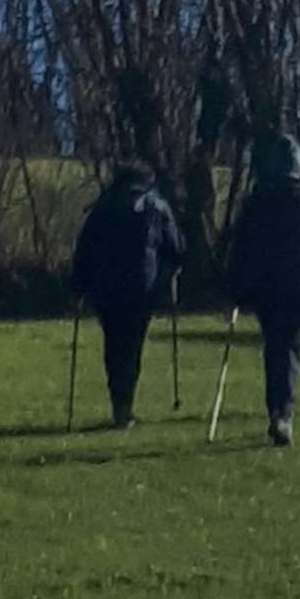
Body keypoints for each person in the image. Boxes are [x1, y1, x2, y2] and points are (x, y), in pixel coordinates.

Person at [225, 133, 300, 445]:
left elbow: (241, 243)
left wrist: (235, 282)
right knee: (290, 345)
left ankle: (278, 410)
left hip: (266, 282)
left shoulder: (258, 197)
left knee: (275, 346)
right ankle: (283, 414)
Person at [70, 160, 185, 430]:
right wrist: (173, 270)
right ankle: (125, 405)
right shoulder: (156, 206)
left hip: (105, 288)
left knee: (113, 344)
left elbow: (85, 250)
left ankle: (118, 402)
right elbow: (175, 246)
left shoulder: (104, 207)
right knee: (133, 346)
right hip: (141, 288)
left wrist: (78, 288)